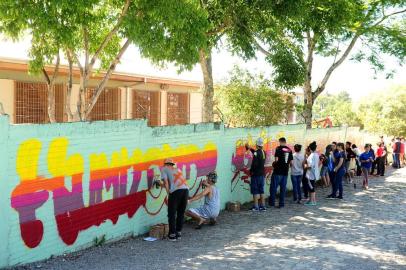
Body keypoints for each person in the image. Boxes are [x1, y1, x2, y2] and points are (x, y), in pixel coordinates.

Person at [160, 158, 189, 241]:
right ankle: (178, 232)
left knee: (171, 214)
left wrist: (169, 193)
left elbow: (166, 183)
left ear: (165, 164)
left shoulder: (164, 169)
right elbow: (173, 183)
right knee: (180, 212)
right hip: (186, 190)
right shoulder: (178, 169)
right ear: (172, 164)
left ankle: (172, 235)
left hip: (176, 192)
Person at [270, 137, 293, 208]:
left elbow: (276, 160)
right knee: (283, 189)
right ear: (285, 142)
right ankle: (281, 204)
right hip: (285, 172)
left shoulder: (278, 149)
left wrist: (274, 165)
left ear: (280, 142)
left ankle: (272, 203)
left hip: (277, 172)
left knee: (273, 188)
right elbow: (291, 163)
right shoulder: (289, 150)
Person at [249, 138, 267, 211]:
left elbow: (255, 163)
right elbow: (256, 153)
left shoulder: (256, 153)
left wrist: (251, 171)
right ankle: (263, 206)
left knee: (255, 191)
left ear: (257, 144)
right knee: (261, 190)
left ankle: (256, 207)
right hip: (262, 174)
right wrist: (251, 149)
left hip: (256, 174)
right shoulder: (263, 152)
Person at [304, 141, 320, 206]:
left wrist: (305, 166)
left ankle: (313, 201)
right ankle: (311, 200)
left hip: (310, 174)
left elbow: (310, 166)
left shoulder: (312, 155)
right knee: (311, 186)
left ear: (310, 148)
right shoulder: (316, 154)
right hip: (314, 173)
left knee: (311, 187)